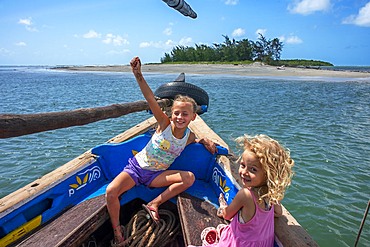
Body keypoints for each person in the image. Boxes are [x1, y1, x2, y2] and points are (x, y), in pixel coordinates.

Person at [106, 56, 217, 247]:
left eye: (185, 114)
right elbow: (150, 98)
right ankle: (117, 230)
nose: (179, 117)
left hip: (156, 176)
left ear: (193, 116)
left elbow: (195, 141)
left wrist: (204, 140)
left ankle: (155, 203)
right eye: (176, 113)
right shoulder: (165, 125)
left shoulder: (188, 136)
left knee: (188, 178)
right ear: (170, 114)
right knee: (111, 192)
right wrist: (138, 74)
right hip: (136, 169)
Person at [191, 134, 294, 247]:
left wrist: (223, 208)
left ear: (267, 174)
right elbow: (278, 213)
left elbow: (227, 215)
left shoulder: (245, 195)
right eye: (243, 165)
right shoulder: (270, 195)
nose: (244, 172)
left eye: (253, 169)